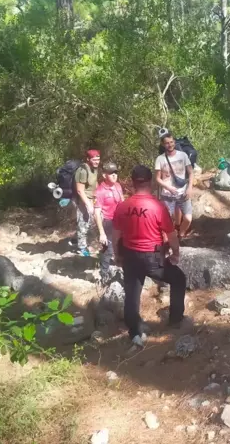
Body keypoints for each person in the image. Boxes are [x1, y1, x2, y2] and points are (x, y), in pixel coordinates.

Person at [112, 165, 188, 347]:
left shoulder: (123, 206)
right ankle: (175, 320)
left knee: (132, 292)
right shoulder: (157, 206)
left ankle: (135, 332)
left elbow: (115, 236)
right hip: (152, 258)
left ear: (132, 182)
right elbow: (171, 236)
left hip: (130, 255)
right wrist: (175, 254)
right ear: (150, 182)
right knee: (178, 279)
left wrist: (117, 255)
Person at [155, 133, 194, 239]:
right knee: (167, 221)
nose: (170, 145)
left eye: (171, 142)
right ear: (163, 145)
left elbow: (190, 172)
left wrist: (189, 187)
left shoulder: (183, 155)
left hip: (182, 192)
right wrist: (168, 188)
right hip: (167, 195)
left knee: (188, 219)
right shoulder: (160, 159)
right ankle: (169, 242)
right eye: (167, 143)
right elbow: (158, 178)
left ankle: (180, 235)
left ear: (174, 142)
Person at [94, 161, 124, 286]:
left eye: (115, 172)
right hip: (108, 222)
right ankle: (104, 276)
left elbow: (122, 201)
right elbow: (97, 212)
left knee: (123, 246)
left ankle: (122, 270)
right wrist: (101, 233)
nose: (114, 175)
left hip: (120, 221)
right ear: (105, 175)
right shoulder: (100, 191)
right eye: (111, 173)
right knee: (108, 249)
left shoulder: (117, 186)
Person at [74, 149, 101, 257]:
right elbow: (80, 190)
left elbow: (95, 182)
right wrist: (88, 204)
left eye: (98, 159)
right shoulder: (83, 171)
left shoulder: (94, 169)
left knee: (91, 223)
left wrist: (98, 195)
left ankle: (80, 241)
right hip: (83, 200)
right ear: (88, 159)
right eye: (94, 160)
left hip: (93, 198)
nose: (97, 162)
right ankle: (82, 248)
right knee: (83, 223)